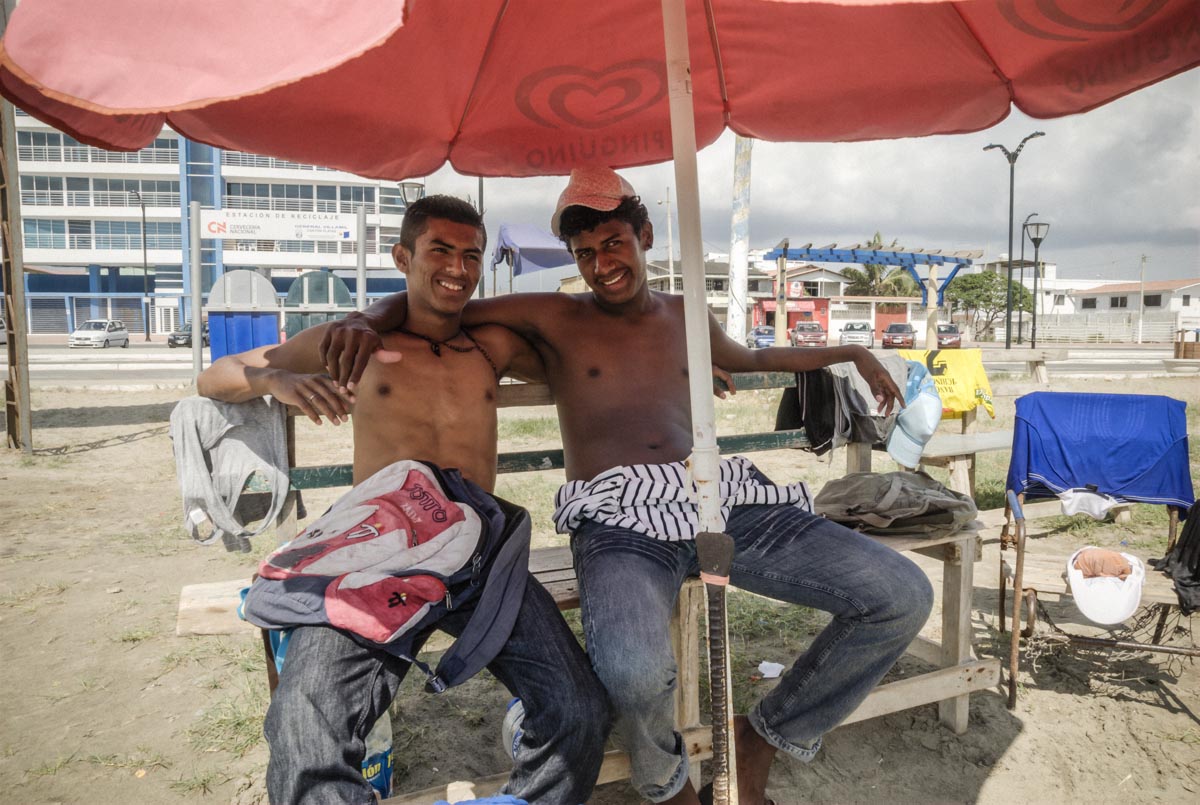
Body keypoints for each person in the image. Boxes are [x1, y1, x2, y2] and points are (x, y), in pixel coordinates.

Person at [320, 169, 934, 805]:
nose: (601, 264)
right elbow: (440, 303)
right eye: (584, 253)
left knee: (901, 595)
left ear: (644, 236)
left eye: (613, 243)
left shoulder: (685, 315)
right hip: (618, 517)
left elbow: (753, 358)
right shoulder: (555, 315)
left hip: (718, 498)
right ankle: (667, 784)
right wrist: (363, 318)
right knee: (633, 671)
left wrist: (851, 353)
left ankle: (763, 736)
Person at [197, 195, 609, 805]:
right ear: (402, 257)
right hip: (378, 556)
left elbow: (580, 352)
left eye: (471, 255)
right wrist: (275, 379)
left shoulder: (490, 345)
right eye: (440, 250)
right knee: (304, 726)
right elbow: (214, 376)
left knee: (580, 709)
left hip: (479, 556)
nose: (458, 268)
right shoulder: (352, 344)